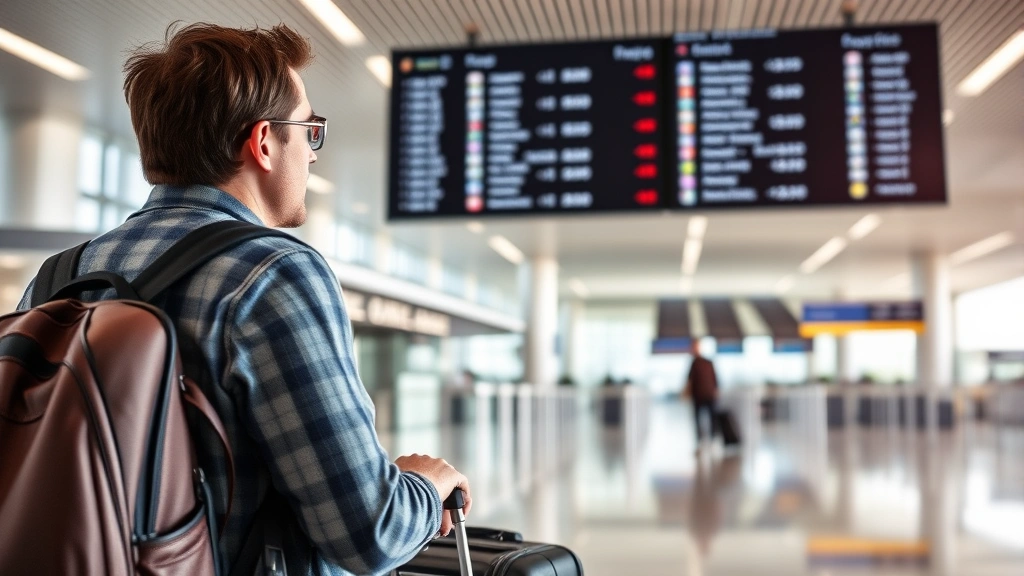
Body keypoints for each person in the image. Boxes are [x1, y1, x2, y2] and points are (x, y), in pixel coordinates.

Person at [18, 23, 470, 576]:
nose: (312, 154)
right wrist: (424, 485)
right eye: (309, 131)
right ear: (262, 143)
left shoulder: (57, 278)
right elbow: (368, 533)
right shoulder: (273, 273)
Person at [683, 340, 719, 454]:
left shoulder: (708, 362)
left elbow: (715, 378)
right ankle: (700, 443)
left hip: (709, 395)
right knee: (698, 420)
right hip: (697, 396)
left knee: (712, 419)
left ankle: (712, 441)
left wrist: (716, 391)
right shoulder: (693, 363)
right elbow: (689, 380)